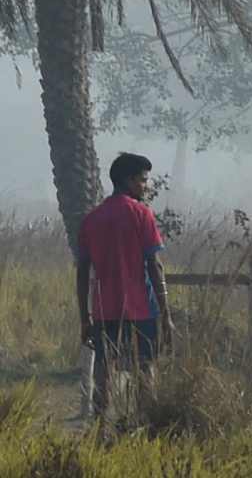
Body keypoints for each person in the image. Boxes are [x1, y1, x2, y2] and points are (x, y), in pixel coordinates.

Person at [77, 153, 175, 421]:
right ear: (129, 180)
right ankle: (145, 424)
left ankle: (99, 427)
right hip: (141, 307)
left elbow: (82, 272)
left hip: (103, 309)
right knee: (145, 369)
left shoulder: (92, 219)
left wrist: (84, 317)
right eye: (143, 180)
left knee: (104, 372)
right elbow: (154, 265)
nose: (145, 186)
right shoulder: (141, 214)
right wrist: (166, 313)